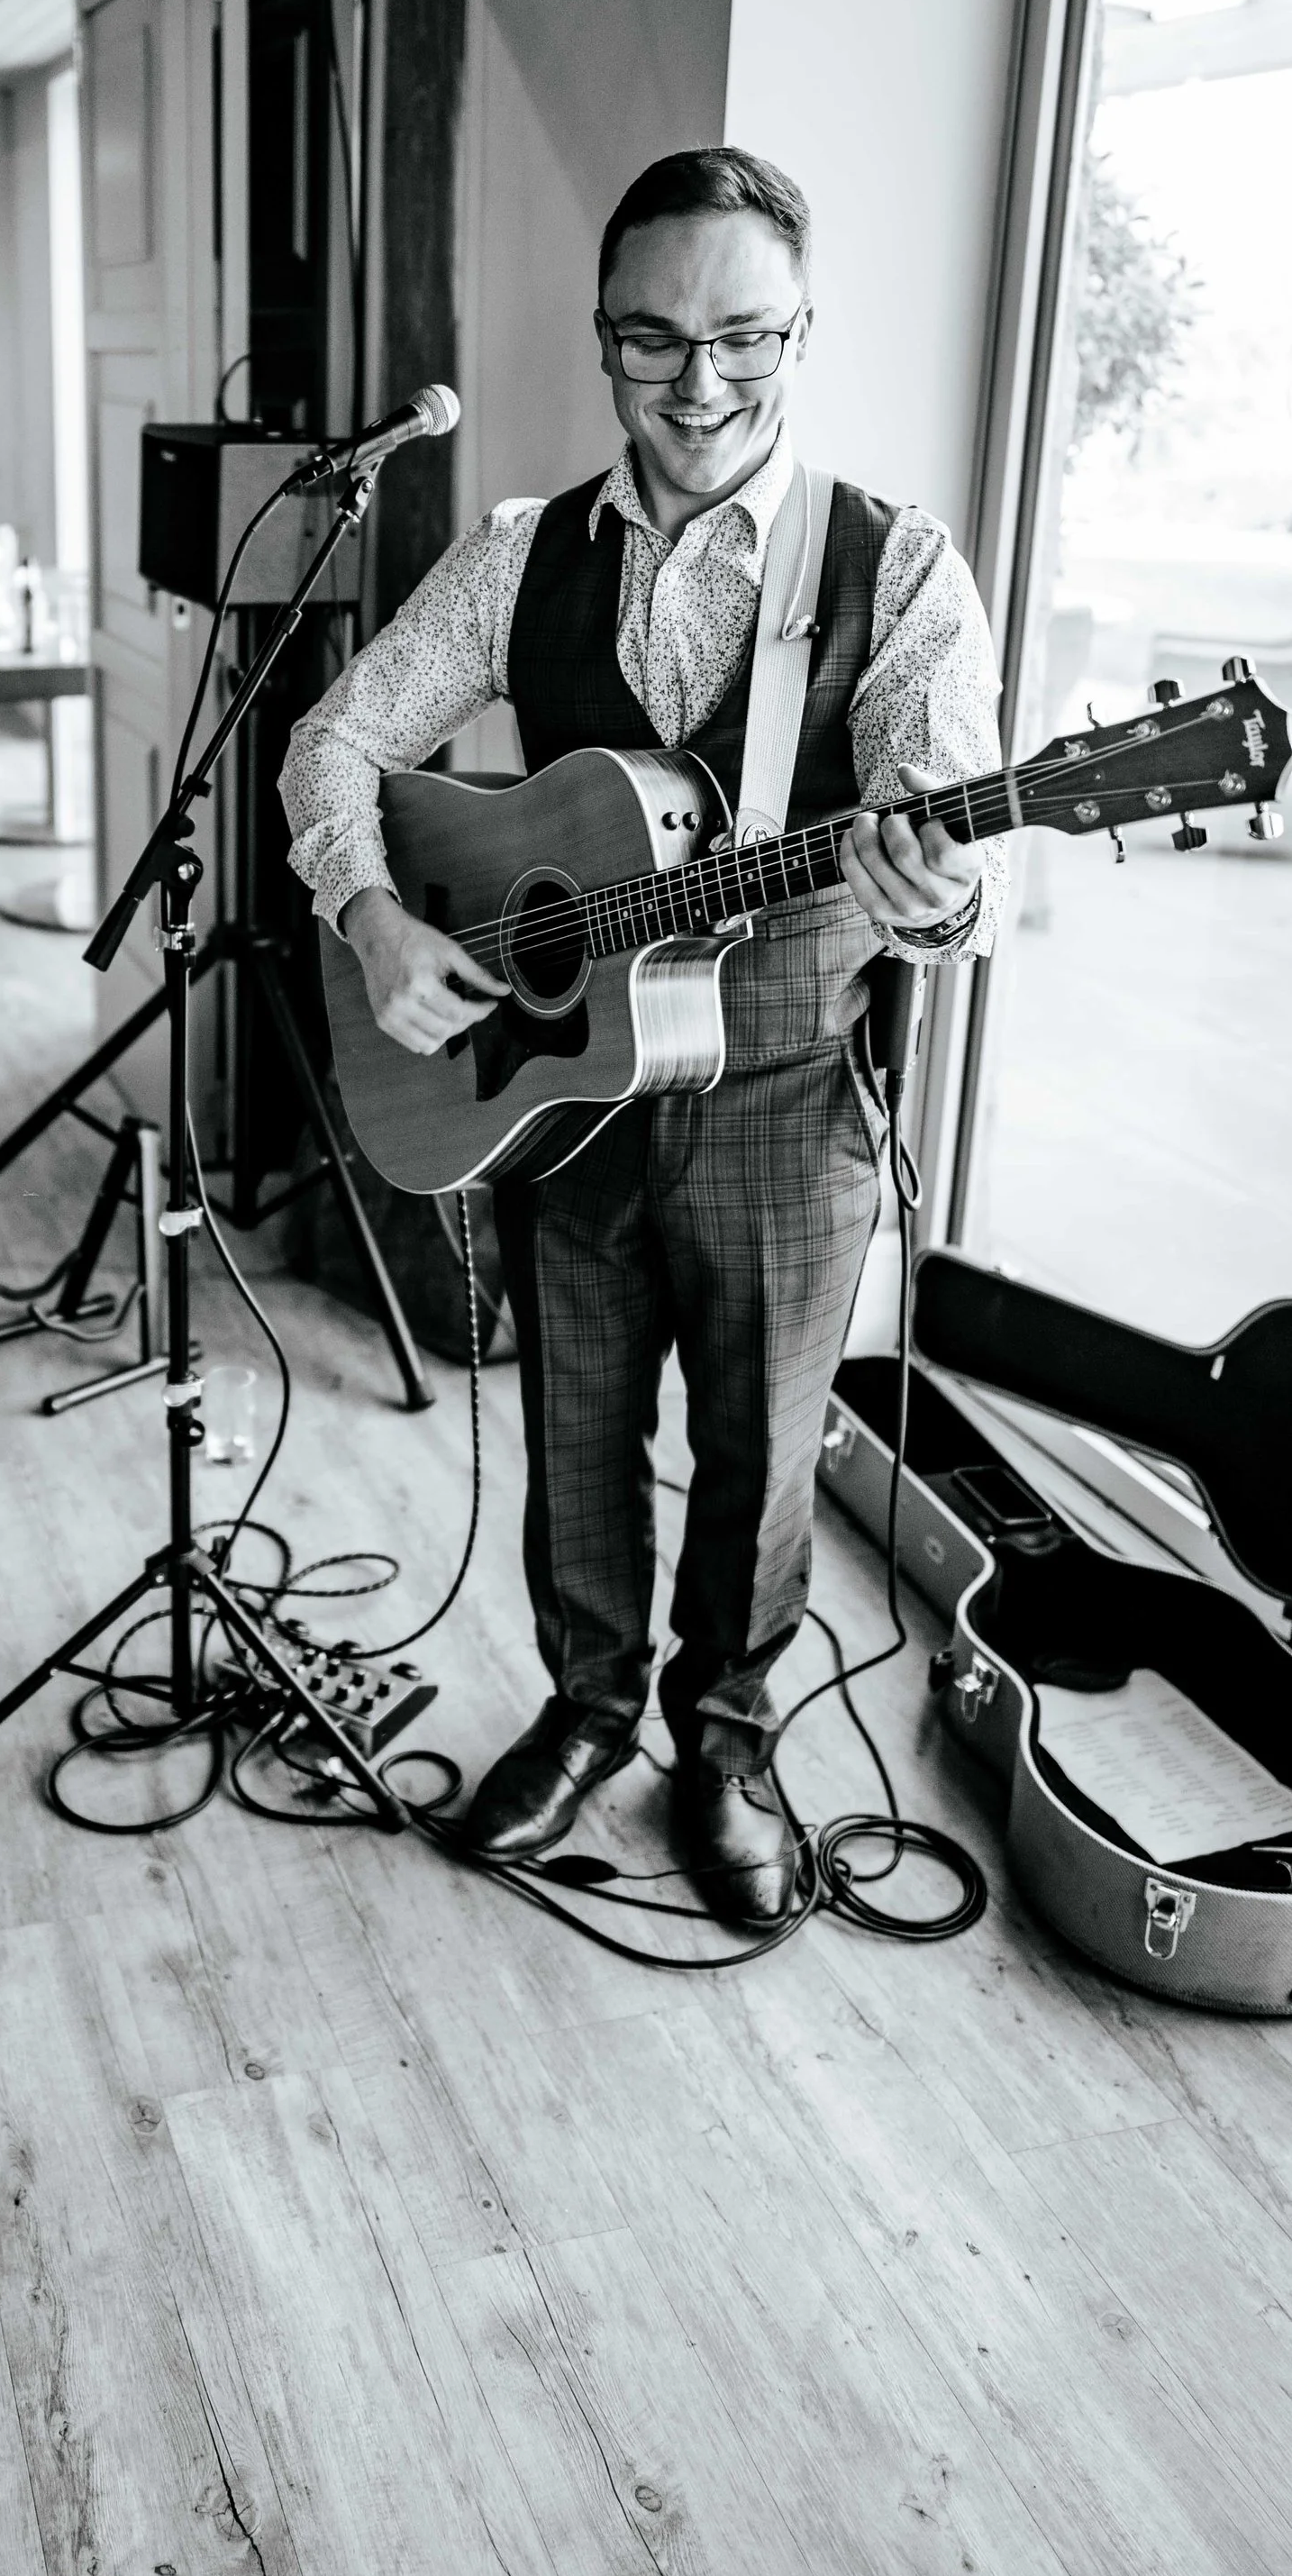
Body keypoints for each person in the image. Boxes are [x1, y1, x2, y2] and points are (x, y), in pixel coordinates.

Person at [280, 147, 1004, 1928]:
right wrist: (374, 918)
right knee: (574, 1434)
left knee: (763, 1452)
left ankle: (728, 1737)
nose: (697, 385)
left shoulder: (890, 563)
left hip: (780, 1094)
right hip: (565, 1106)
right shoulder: (518, 551)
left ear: (801, 329)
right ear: (597, 335)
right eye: (651, 340)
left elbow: (950, 851)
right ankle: (588, 1706)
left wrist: (934, 887)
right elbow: (334, 744)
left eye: (745, 339)